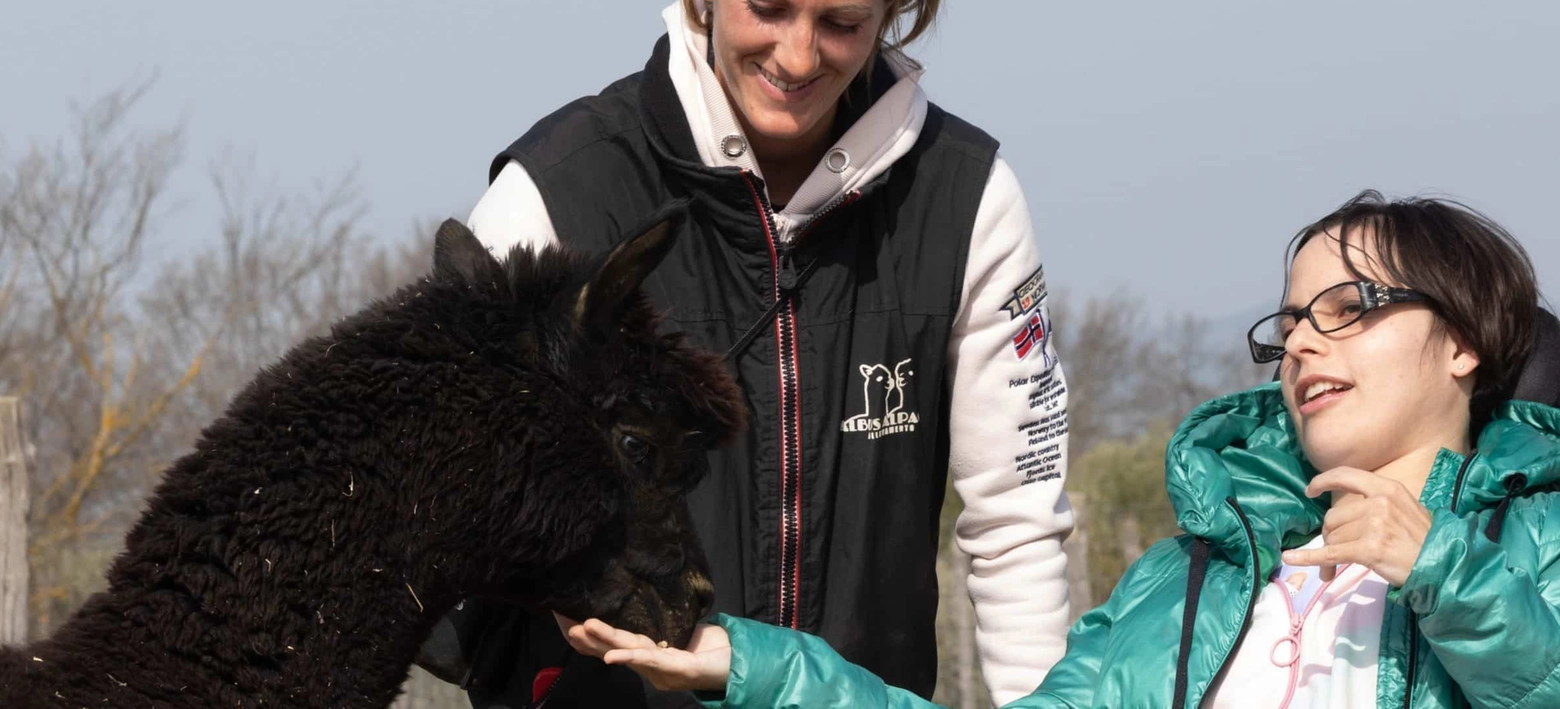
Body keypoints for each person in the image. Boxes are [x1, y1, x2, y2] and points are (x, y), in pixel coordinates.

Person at [420, 0, 1076, 706]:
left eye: (843, 22)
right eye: (767, 6)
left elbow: (1018, 526)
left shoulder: (970, 199)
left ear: (893, 6)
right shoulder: (553, 195)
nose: (798, 58)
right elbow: (433, 505)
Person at [564, 189, 1560, 709]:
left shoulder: (1539, 539)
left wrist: (1445, 568)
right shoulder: (1186, 581)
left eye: (1349, 308)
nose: (1301, 340)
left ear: (1467, 338)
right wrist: (749, 663)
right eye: (1290, 321)